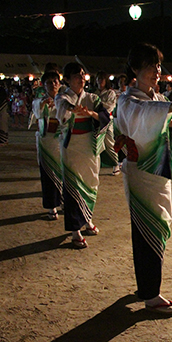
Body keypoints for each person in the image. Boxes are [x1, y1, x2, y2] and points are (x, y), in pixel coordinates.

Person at [115, 42, 172, 315]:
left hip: (158, 170)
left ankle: (145, 286)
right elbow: (144, 115)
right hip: (141, 171)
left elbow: (169, 120)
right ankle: (151, 294)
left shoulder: (158, 100)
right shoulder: (129, 100)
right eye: (150, 66)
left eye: (158, 66)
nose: (156, 71)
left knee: (153, 227)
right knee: (148, 228)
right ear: (135, 69)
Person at [55, 62, 110, 249]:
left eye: (82, 74)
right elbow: (62, 106)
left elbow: (105, 116)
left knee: (91, 182)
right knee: (73, 186)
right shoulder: (63, 96)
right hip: (72, 147)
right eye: (76, 75)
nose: (81, 77)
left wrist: (91, 113)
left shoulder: (92, 98)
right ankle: (74, 231)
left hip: (89, 145)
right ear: (68, 79)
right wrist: (72, 109)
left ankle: (87, 219)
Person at [33, 71, 63, 220]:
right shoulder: (39, 101)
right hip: (46, 141)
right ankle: (52, 206)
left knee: (64, 173)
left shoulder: (64, 99)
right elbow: (36, 113)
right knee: (48, 174)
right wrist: (44, 103)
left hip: (61, 141)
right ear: (44, 85)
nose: (53, 84)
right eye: (49, 82)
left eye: (55, 81)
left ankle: (63, 202)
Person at [94, 71, 120, 175]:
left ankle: (116, 163)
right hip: (96, 119)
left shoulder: (110, 93)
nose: (100, 81)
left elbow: (110, 107)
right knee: (96, 143)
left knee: (109, 143)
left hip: (107, 120)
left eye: (102, 79)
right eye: (98, 79)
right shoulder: (94, 93)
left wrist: (98, 105)